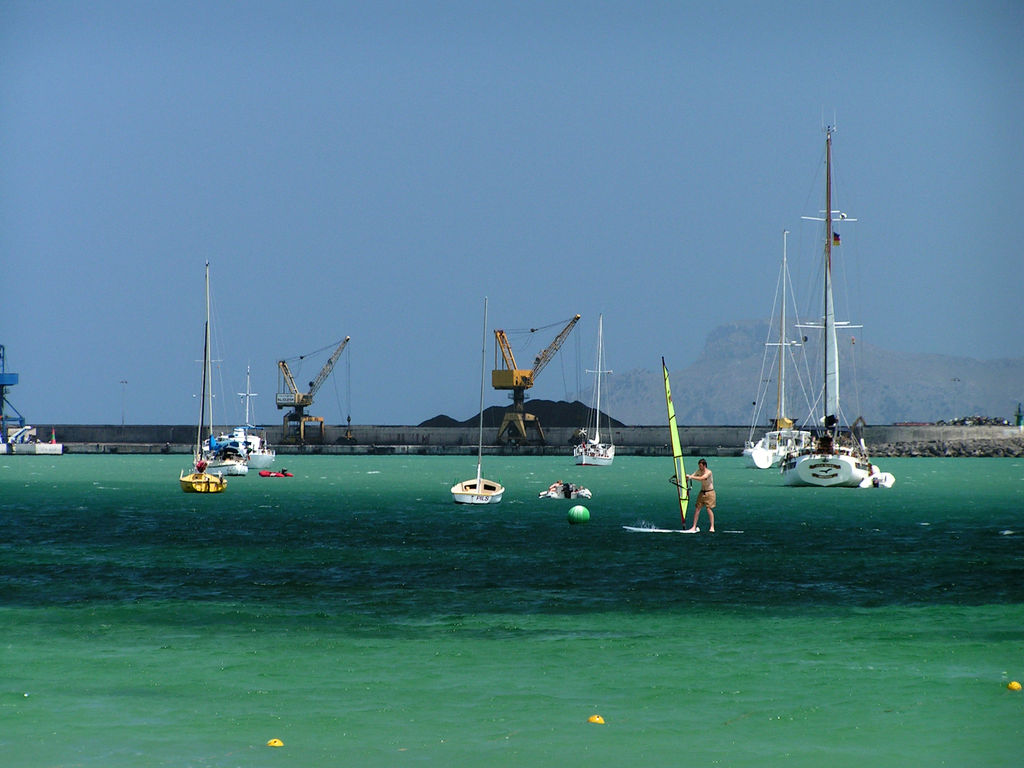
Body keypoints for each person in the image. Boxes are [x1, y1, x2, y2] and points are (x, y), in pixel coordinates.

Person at [684, 458, 715, 533]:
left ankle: (712, 527)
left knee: (708, 509)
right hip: (702, 492)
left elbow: (702, 478)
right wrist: (686, 478)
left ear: (704, 466)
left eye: (701, 466)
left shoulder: (708, 472)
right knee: (697, 508)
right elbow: (692, 476)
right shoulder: (699, 471)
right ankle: (693, 527)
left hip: (710, 492)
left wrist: (691, 477)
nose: (700, 468)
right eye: (699, 466)